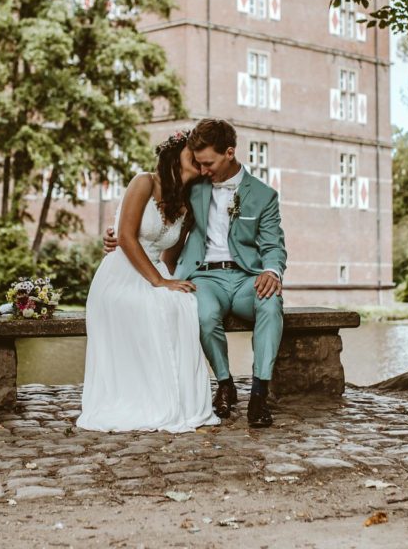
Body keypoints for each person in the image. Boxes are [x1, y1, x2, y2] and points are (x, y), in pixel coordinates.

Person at [105, 118, 287, 428]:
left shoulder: (264, 195)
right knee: (201, 314)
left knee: (270, 304)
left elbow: (274, 244)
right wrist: (116, 233)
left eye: (208, 163)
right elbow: (157, 214)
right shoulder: (194, 185)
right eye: (198, 163)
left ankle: (259, 392)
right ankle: (225, 383)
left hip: (246, 277)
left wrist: (272, 270)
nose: (203, 170)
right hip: (204, 276)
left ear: (229, 153)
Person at [76, 130, 219, 433]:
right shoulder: (144, 182)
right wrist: (158, 282)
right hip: (121, 273)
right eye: (190, 151)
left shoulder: (189, 204)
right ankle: (144, 397)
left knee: (182, 305)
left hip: (155, 270)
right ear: (175, 153)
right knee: (153, 307)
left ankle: (177, 402)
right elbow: (126, 237)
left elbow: (168, 256)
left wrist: (167, 280)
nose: (195, 157)